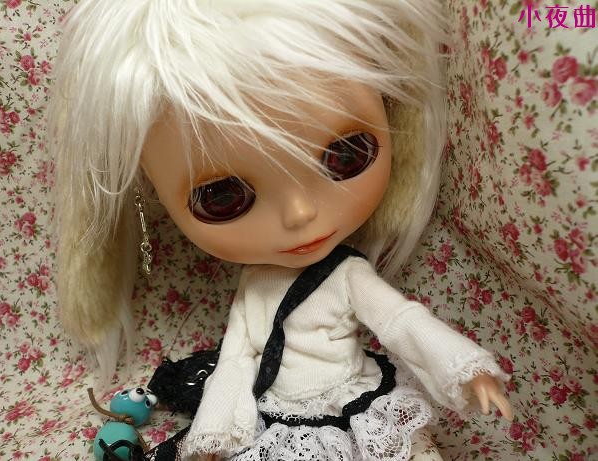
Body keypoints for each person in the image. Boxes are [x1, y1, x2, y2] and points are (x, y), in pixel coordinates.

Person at [49, 1, 512, 459]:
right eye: (223, 197)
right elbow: (236, 362)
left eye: (345, 155)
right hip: (282, 414)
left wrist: (463, 368)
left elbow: (400, 321)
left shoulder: (347, 275)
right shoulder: (254, 290)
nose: (300, 214)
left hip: (355, 397)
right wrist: (211, 437)